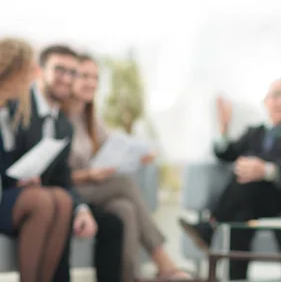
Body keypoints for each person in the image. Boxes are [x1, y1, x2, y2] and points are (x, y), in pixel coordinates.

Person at [180, 79, 281, 280]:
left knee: (245, 180)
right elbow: (226, 153)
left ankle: (210, 225)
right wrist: (223, 128)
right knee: (241, 212)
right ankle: (236, 278)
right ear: (266, 102)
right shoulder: (254, 133)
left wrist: (266, 170)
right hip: (256, 202)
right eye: (277, 95)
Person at [65, 53, 190, 281]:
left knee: (125, 209)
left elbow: (114, 148)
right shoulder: (60, 119)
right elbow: (56, 175)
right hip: (72, 190)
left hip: (96, 190)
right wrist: (89, 174)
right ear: (69, 78)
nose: (90, 82)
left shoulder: (91, 119)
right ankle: (163, 261)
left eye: (95, 77)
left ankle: (129, 277)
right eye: (84, 76)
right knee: (123, 184)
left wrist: (136, 155)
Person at [14, 44, 124, 282]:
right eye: (59, 70)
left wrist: (81, 209)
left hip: (50, 197)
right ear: (39, 71)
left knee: (65, 202)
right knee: (52, 201)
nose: (66, 79)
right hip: (13, 194)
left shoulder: (63, 124)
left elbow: (62, 177)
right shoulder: (17, 106)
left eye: (72, 72)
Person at [0, 37, 73, 282]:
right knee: (42, 202)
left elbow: (6, 158)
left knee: (61, 199)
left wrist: (18, 177)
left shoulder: (8, 111)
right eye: (29, 70)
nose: (33, 77)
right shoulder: (13, 110)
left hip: (7, 188)